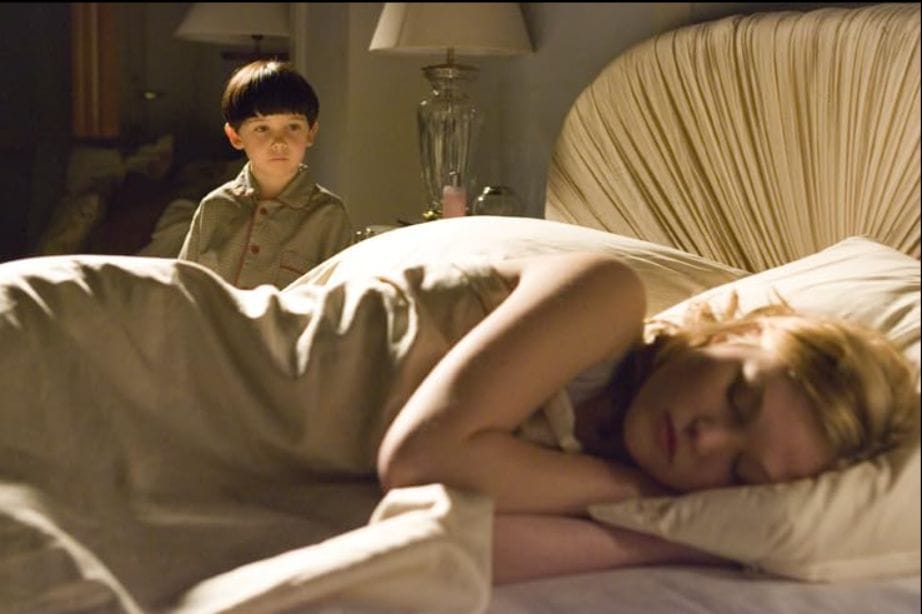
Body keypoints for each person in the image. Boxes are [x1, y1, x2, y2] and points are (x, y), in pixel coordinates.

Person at [371, 252, 919, 584]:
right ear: (738, 334)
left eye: (740, 472)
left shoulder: (602, 465)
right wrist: (651, 498)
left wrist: (693, 531)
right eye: (737, 397)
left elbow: (453, 546)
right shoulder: (603, 296)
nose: (708, 437)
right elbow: (420, 461)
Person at [178, 60, 354, 289]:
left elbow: (340, 299)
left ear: (311, 133)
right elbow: (184, 291)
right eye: (262, 128)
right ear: (235, 136)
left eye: (293, 127)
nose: (279, 142)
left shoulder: (329, 216)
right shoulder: (213, 208)